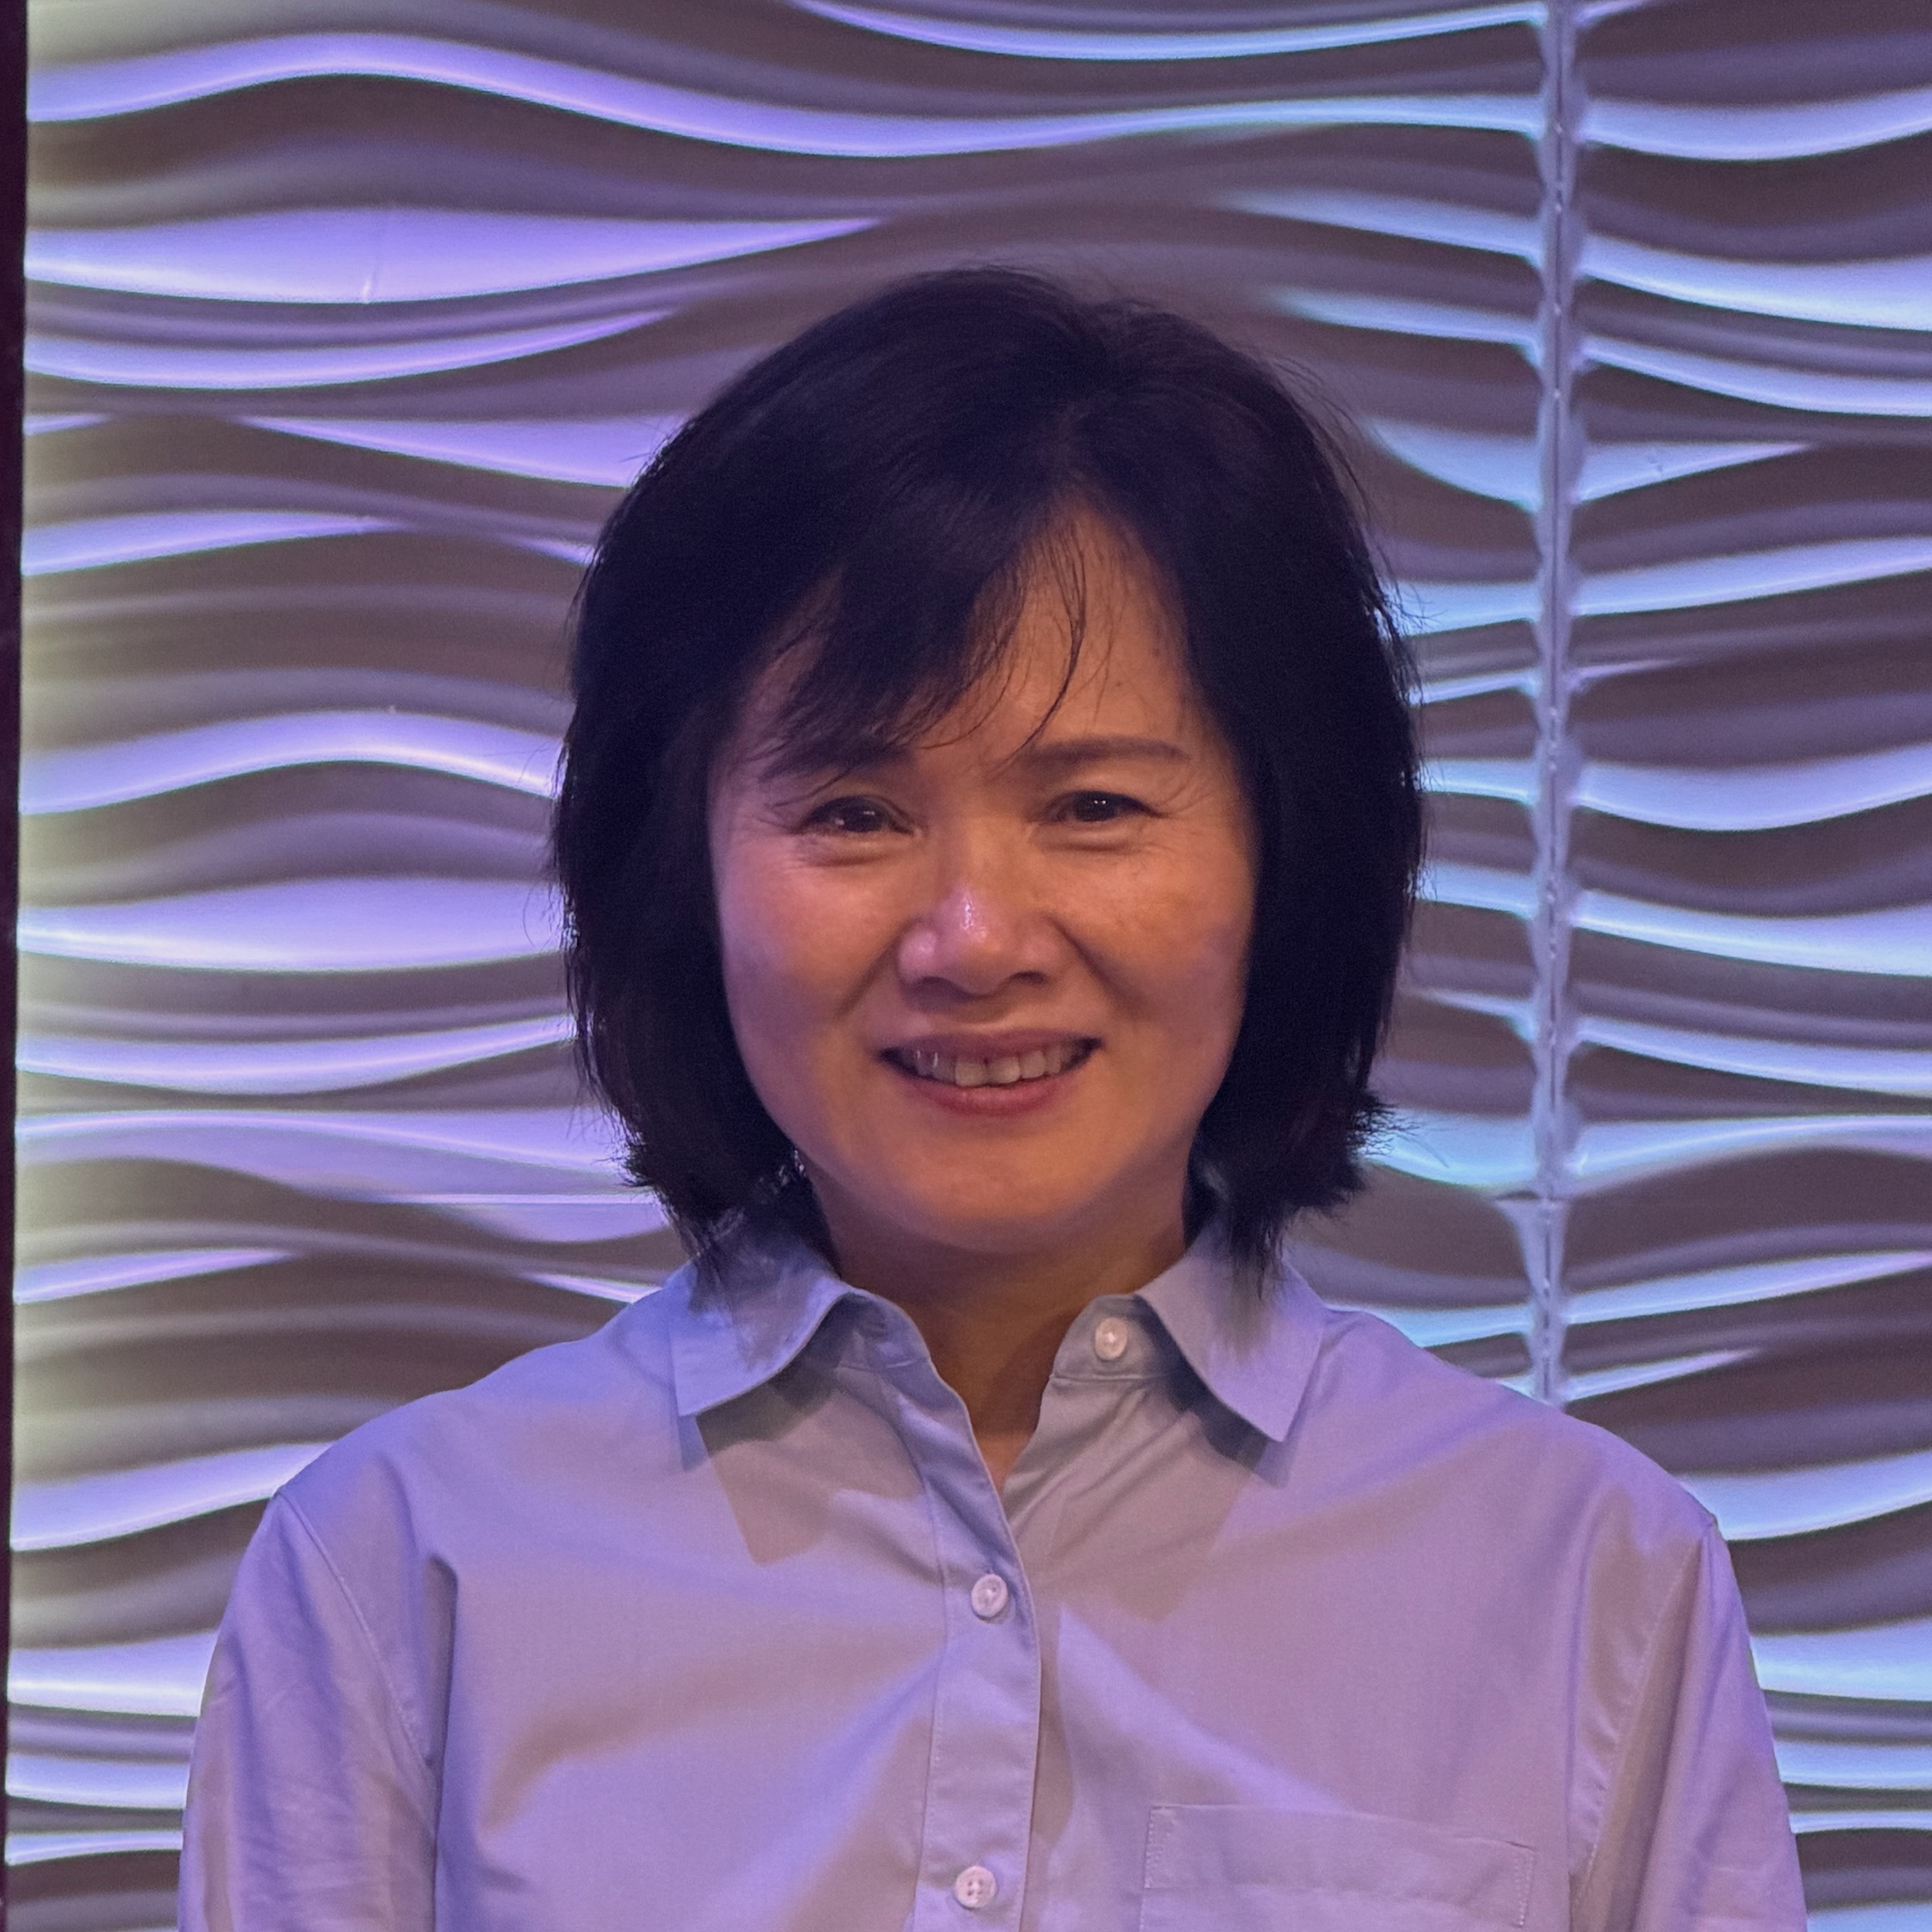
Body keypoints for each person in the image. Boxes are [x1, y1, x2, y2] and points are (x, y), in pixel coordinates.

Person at [179, 268, 1805, 1930]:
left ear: (1288, 859)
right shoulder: (399, 1569)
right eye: (852, 812)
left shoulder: (1586, 1583)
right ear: (680, 877)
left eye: (1093, 805)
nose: (972, 940)